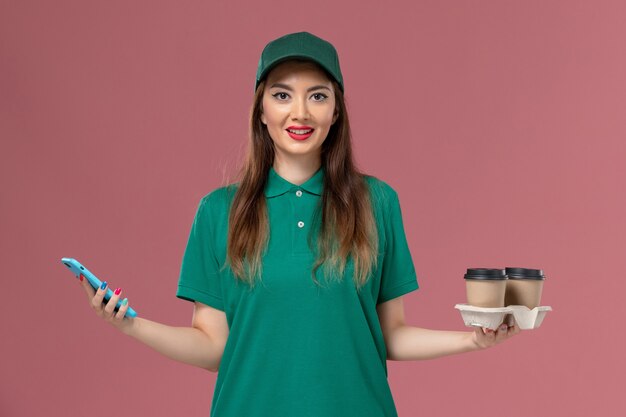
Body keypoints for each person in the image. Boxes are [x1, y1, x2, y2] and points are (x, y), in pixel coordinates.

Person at [78, 31, 520, 417]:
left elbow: (389, 335)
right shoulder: (218, 212)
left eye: (318, 95)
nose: (300, 112)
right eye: (283, 94)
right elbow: (213, 347)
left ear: (336, 113)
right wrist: (129, 325)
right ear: (261, 111)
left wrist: (473, 342)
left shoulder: (377, 202)